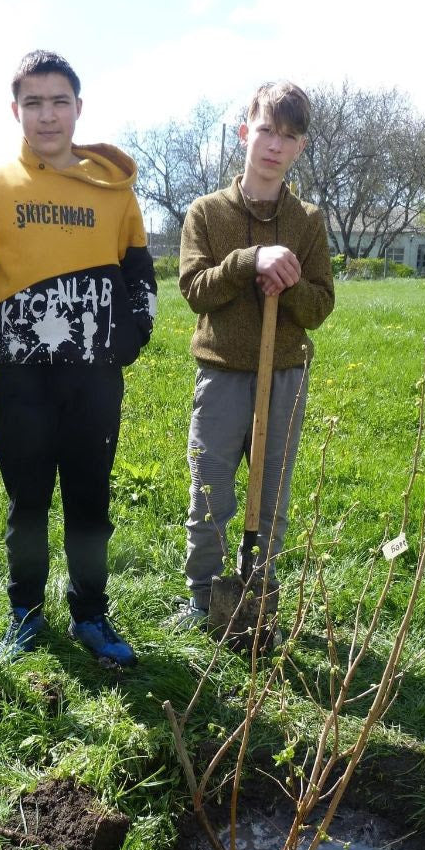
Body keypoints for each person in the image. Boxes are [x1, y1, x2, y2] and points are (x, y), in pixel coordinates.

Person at [0, 50, 156, 666]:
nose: (47, 115)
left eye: (60, 101)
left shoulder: (114, 190)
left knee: (89, 500)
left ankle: (91, 614)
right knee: (27, 502)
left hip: (94, 376)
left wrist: (131, 336)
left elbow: (139, 273)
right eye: (34, 102)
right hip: (20, 373)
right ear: (15, 110)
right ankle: (24, 613)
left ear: (79, 108)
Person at [177, 81, 335, 633]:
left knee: (271, 491)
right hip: (221, 375)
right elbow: (196, 288)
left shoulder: (308, 221)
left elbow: (319, 307)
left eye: (288, 136)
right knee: (211, 487)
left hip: (284, 376)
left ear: (300, 149)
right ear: (245, 131)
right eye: (266, 129)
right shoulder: (206, 213)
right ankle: (202, 597)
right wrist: (250, 261)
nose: (274, 144)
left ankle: (257, 592)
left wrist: (288, 283)